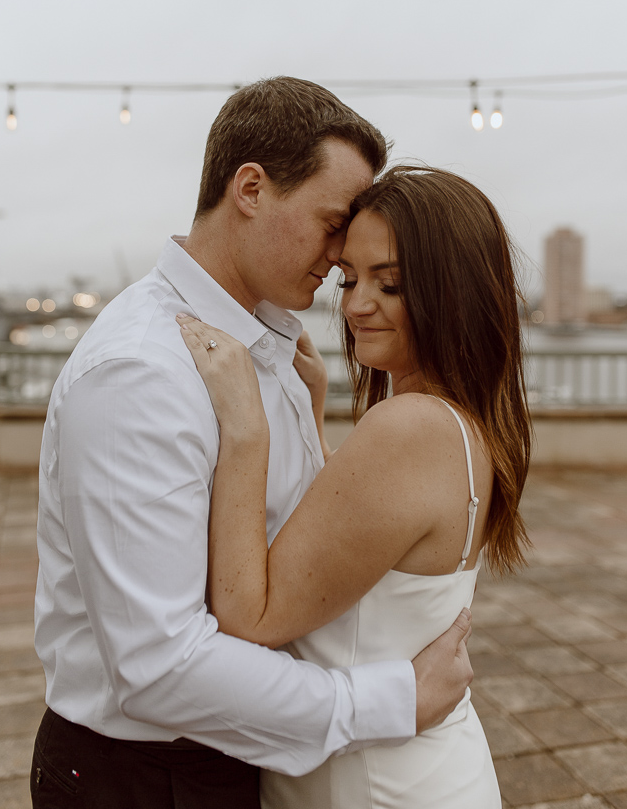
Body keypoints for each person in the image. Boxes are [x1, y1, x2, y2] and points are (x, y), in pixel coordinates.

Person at [31, 79, 474, 809]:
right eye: (332, 223)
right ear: (250, 189)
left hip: (242, 750)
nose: (339, 260)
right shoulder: (141, 372)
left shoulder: (268, 340)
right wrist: (388, 701)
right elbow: (159, 664)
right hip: (145, 776)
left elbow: (294, 536)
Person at [177, 164, 532, 808]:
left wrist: (247, 429)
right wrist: (312, 417)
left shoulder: (408, 429)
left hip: (372, 785)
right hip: (418, 769)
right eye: (349, 278)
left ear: (452, 292)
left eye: (388, 284)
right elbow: (364, 538)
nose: (354, 304)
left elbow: (247, 615)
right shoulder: (458, 421)